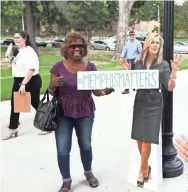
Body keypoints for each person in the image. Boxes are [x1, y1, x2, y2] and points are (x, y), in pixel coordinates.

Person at [48, 32, 114, 192]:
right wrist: (53, 85)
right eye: (73, 46)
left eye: (80, 46)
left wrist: (103, 91)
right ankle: (66, 180)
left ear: (84, 48)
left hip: (85, 111)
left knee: (85, 145)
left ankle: (88, 172)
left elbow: (96, 91)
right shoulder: (58, 67)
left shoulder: (91, 67)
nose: (77, 48)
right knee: (63, 148)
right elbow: (50, 91)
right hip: (63, 113)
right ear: (66, 48)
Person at [120, 32, 181, 188]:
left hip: (154, 102)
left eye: (157, 43)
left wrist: (174, 71)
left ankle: (142, 171)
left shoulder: (163, 64)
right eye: (152, 42)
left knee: (147, 138)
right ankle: (147, 167)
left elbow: (169, 87)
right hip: (140, 100)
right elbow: (134, 84)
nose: (155, 45)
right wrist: (128, 71)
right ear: (147, 44)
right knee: (139, 139)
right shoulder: (138, 62)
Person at [3, 30, 47, 140]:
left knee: (35, 103)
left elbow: (31, 69)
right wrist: (12, 60)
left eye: (18, 37)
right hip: (19, 80)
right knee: (15, 105)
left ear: (25, 38)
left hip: (30, 80)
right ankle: (13, 128)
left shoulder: (29, 51)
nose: (16, 39)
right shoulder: (19, 51)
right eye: (15, 37)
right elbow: (20, 64)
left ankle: (47, 123)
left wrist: (23, 84)